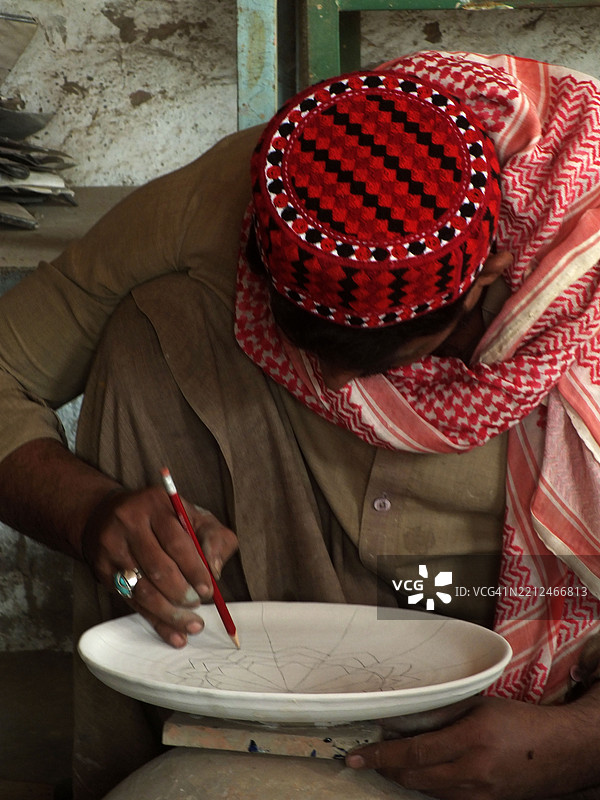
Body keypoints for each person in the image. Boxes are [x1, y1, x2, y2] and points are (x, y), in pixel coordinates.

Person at [1, 49, 600, 800]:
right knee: (156, 322)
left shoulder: (586, 279)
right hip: (275, 694)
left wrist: (582, 744)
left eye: (380, 359)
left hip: (527, 715)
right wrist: (86, 515)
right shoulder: (243, 194)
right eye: (306, 352)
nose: (340, 388)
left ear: (487, 279)